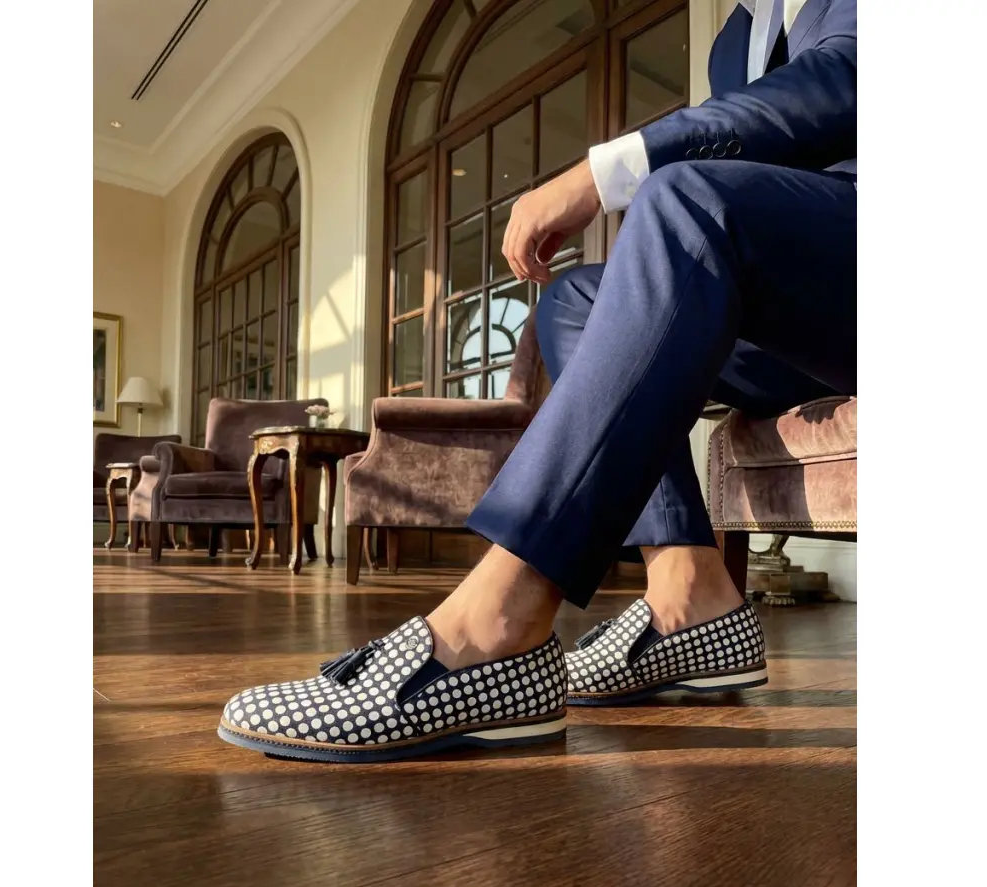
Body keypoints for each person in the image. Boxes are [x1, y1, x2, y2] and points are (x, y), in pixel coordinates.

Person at [218, 0, 857, 763]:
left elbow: (846, 81)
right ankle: (691, 594)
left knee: (683, 197)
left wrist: (604, 169)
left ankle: (497, 623)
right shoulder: (736, 36)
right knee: (573, 300)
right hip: (791, 318)